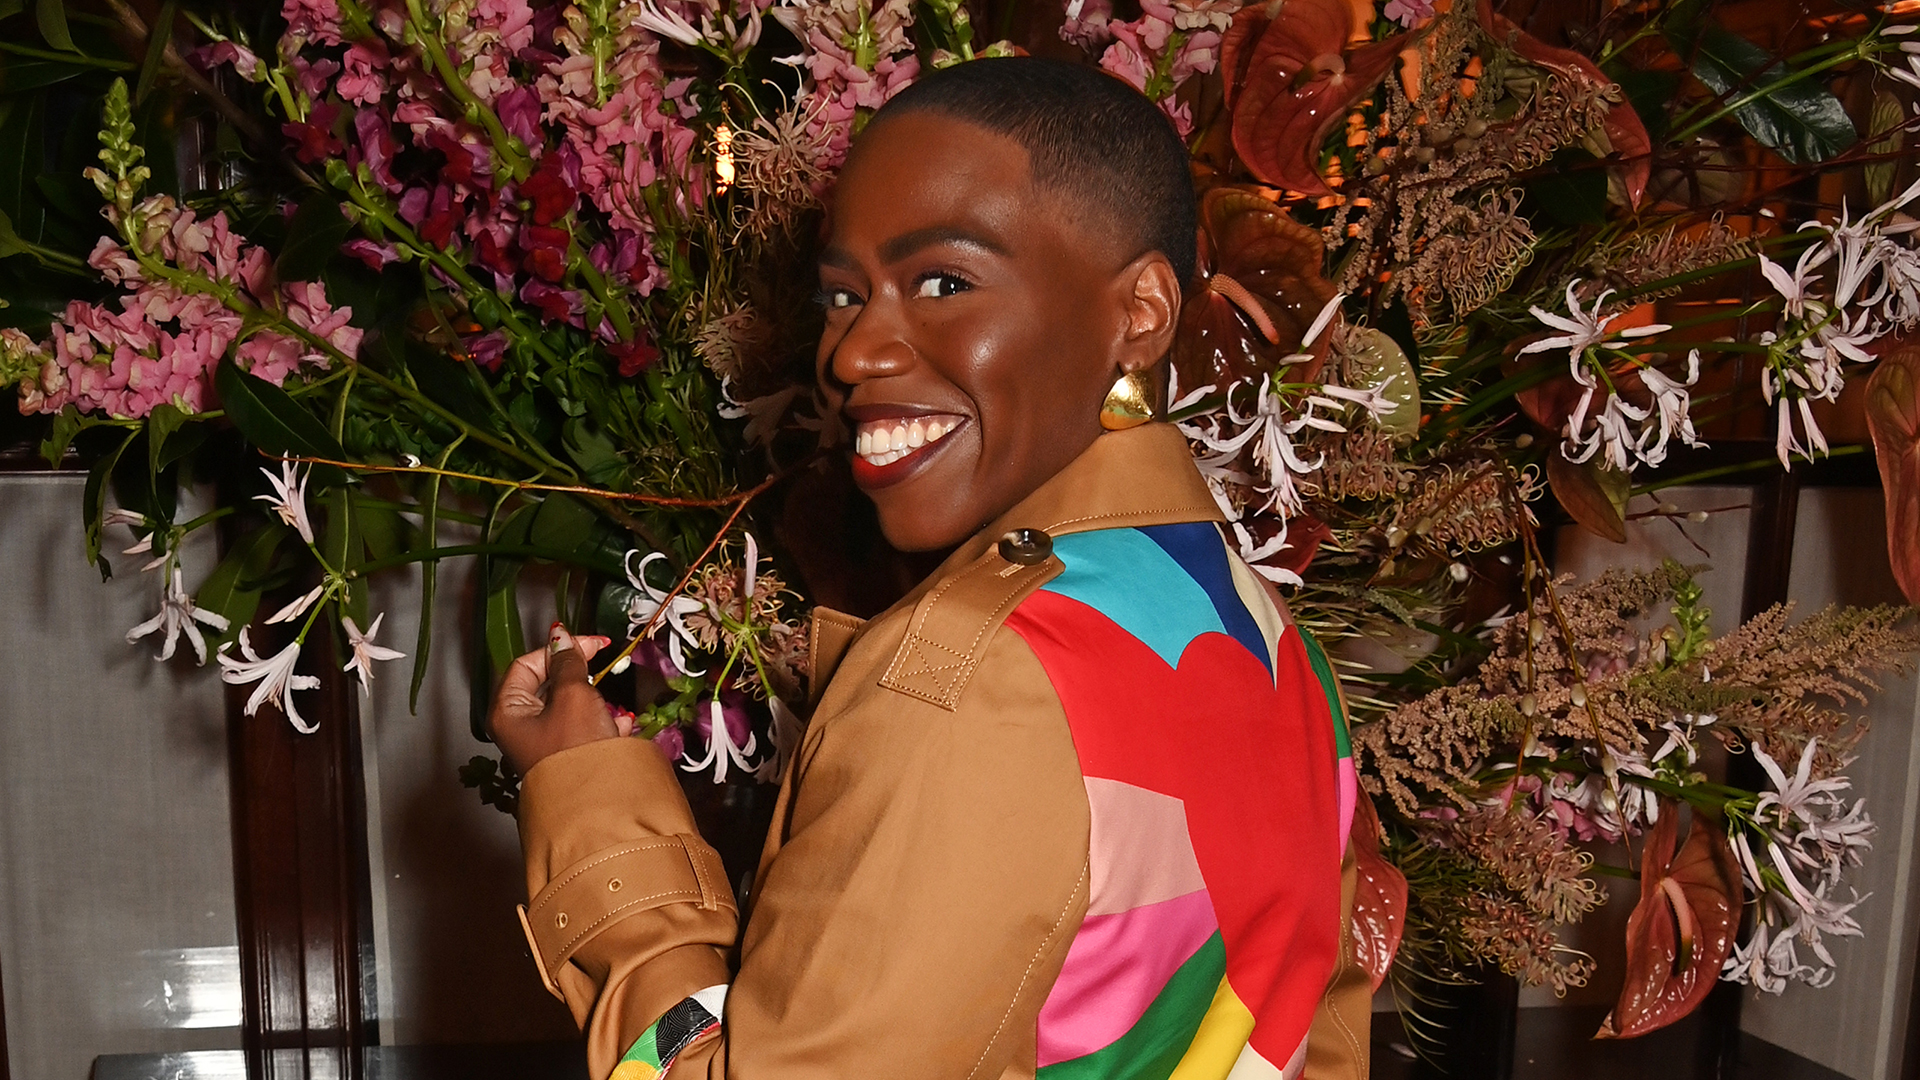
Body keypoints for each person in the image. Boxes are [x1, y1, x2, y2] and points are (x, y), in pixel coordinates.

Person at [488, 57, 1370, 1080]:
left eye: (944, 282)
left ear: (1138, 313)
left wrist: (583, 790)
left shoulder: (978, 676)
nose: (852, 353)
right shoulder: (1270, 642)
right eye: (841, 296)